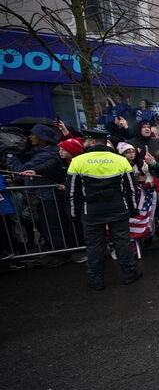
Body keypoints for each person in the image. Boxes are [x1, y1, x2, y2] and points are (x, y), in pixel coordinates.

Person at [65, 129, 141, 290]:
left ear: (92, 142)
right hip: (118, 208)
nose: (83, 143)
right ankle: (129, 274)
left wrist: (72, 213)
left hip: (91, 211)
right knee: (122, 243)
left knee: (94, 246)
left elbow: (71, 191)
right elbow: (131, 188)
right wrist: (133, 208)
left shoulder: (78, 161)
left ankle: (96, 280)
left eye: (85, 140)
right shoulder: (120, 160)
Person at [5, 123, 67, 261]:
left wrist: (10, 157)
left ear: (42, 138)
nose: (30, 137)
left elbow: (22, 171)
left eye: (33, 134)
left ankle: (60, 255)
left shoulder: (47, 153)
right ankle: (55, 251)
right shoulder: (38, 152)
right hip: (39, 195)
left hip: (46, 196)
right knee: (44, 227)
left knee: (50, 227)